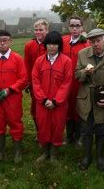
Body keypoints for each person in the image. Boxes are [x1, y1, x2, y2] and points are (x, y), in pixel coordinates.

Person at [75, 29, 104, 171]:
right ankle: (86, 156)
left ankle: (100, 156)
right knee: (86, 130)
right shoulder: (82, 54)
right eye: (92, 41)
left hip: (103, 99)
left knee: (102, 131)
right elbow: (77, 75)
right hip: (86, 99)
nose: (95, 44)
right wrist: (84, 73)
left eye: (98, 40)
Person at [0, 30, 27, 163]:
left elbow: (23, 79)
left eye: (5, 39)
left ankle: (18, 153)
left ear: (10, 41)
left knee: (15, 124)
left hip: (12, 99)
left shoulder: (17, 58)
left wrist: (9, 90)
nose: (2, 42)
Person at [32, 31, 72, 163]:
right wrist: (43, 99)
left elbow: (67, 83)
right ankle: (45, 152)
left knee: (57, 127)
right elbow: (35, 81)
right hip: (42, 103)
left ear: (59, 45)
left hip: (58, 104)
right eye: (49, 43)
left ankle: (54, 153)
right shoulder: (39, 61)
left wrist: (56, 101)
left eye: (55, 44)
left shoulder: (66, 61)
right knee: (43, 126)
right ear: (46, 45)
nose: (52, 47)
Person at [62, 16, 90, 145]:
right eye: (72, 25)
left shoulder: (86, 44)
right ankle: (69, 136)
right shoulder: (63, 42)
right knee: (67, 108)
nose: (74, 28)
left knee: (79, 108)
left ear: (82, 28)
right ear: (68, 27)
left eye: (77, 26)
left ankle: (79, 135)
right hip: (65, 82)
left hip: (80, 82)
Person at [24, 19, 49, 133]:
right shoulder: (29, 45)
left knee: (49, 105)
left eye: (41, 30)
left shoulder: (51, 44)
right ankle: (39, 132)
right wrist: (28, 82)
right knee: (35, 107)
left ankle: (50, 131)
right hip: (35, 83)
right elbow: (27, 65)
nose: (38, 32)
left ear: (47, 30)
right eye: (36, 30)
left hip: (49, 81)